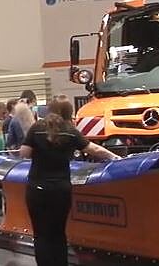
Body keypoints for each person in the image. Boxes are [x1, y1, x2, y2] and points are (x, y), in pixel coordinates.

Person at [19, 95, 121, 266]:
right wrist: (115, 157)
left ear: (50, 109)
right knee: (58, 233)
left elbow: (24, 153)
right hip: (61, 190)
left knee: (41, 234)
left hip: (37, 189)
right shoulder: (70, 130)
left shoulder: (37, 128)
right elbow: (93, 149)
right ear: (69, 112)